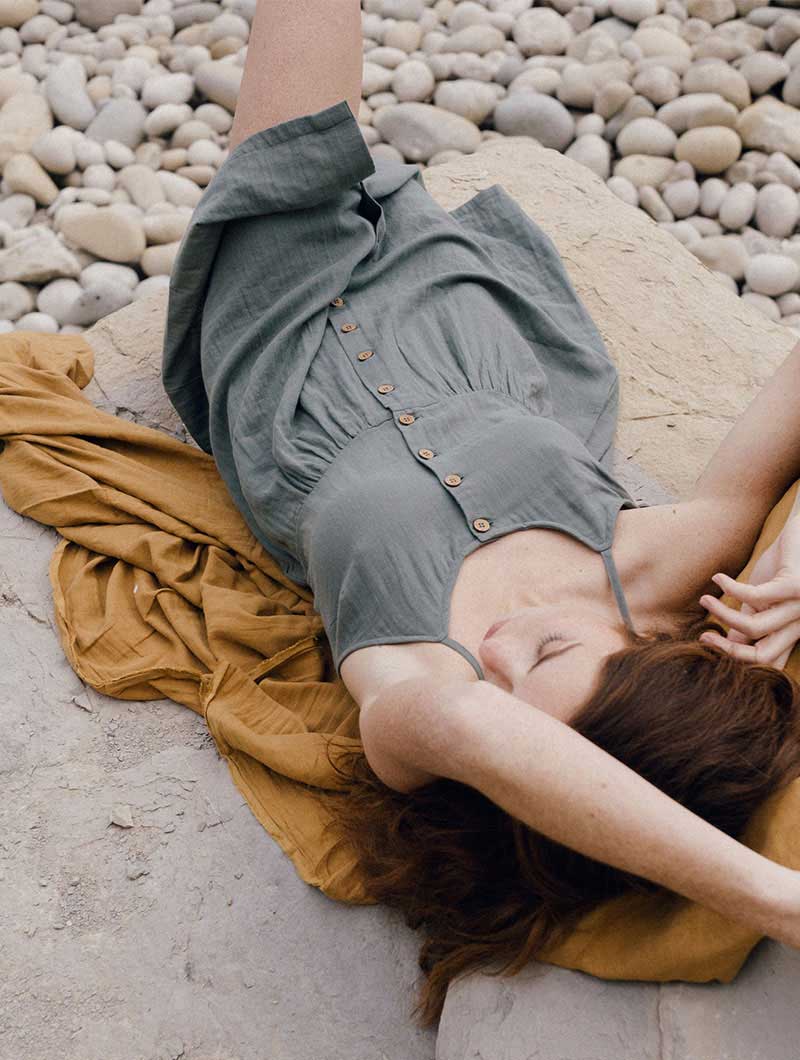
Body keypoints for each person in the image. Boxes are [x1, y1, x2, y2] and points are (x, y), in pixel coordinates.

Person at [162, 0, 800, 1026]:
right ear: (643, 662)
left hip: (275, 333)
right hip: (448, 303)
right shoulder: (653, 568)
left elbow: (472, 724)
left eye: (500, 696)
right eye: (544, 659)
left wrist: (774, 899)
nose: (497, 652)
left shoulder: (419, 692)